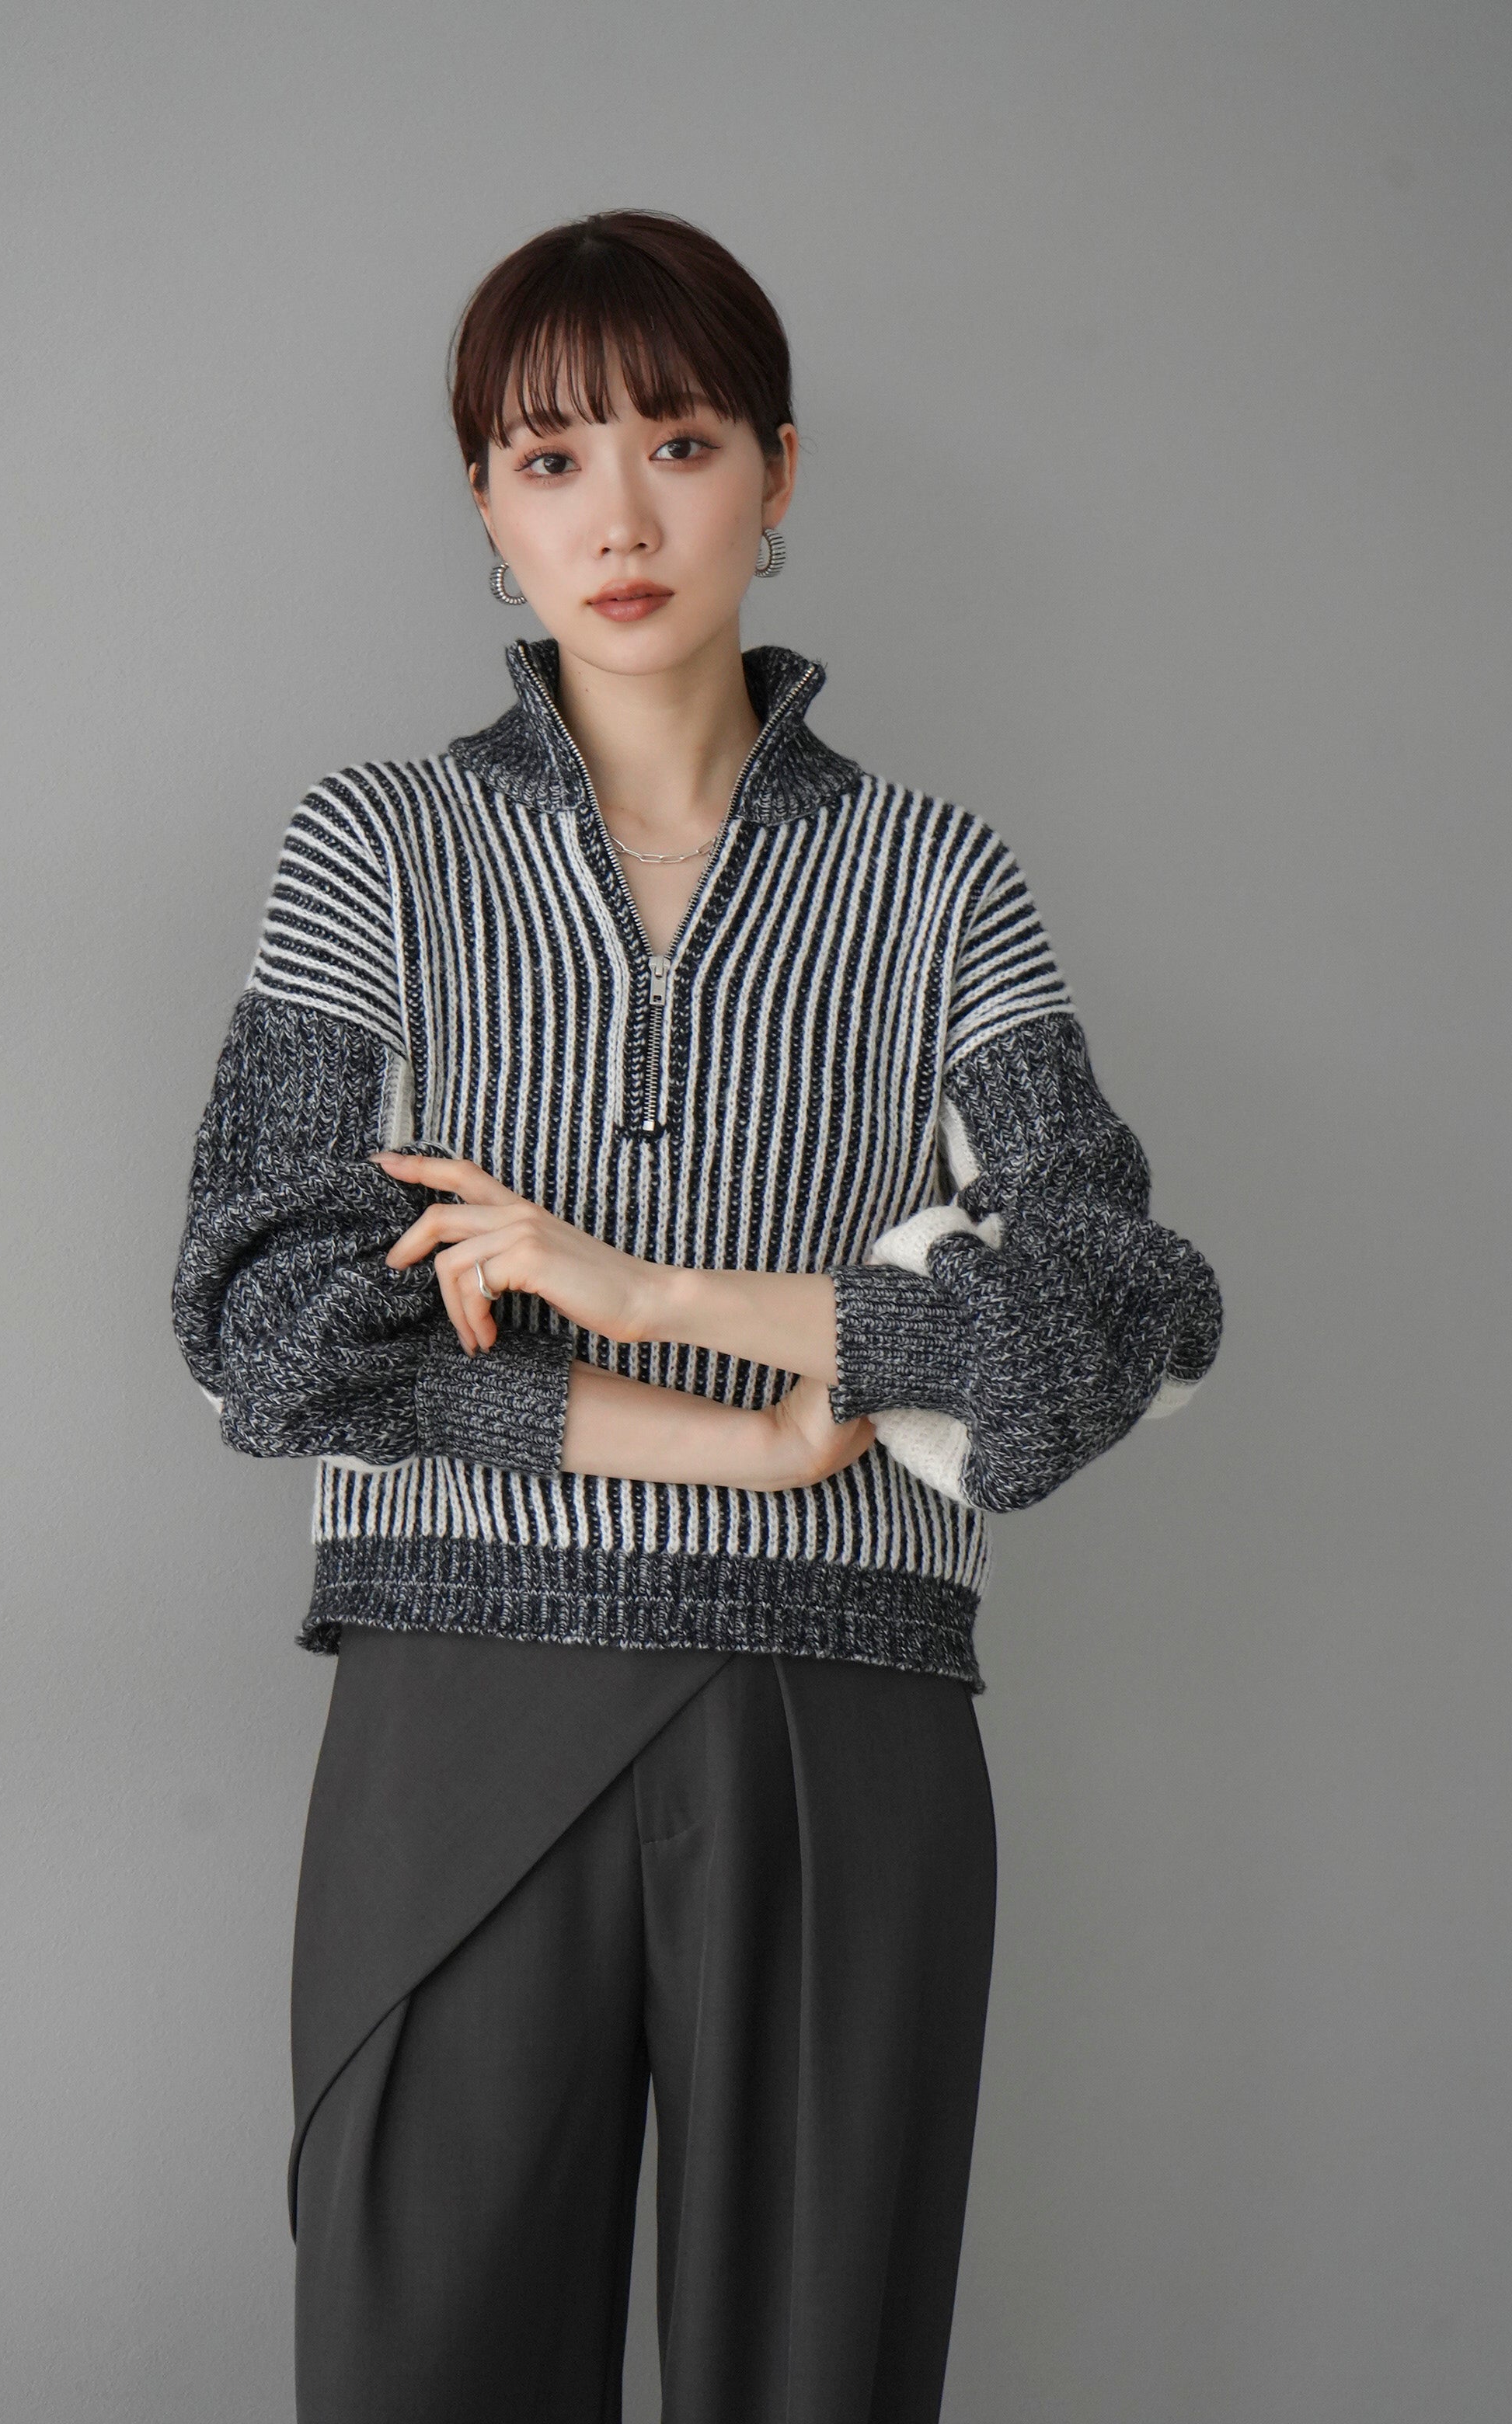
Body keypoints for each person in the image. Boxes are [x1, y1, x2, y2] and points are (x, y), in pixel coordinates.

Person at [170, 208, 1221, 2424]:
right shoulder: (375, 851)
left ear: (779, 472)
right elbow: (268, 1321)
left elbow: (1112, 1317)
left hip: (845, 1713)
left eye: (679, 442)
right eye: (550, 459)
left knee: (818, 2377)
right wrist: (722, 1432)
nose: (621, 518)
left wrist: (656, 1292)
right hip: (458, 1699)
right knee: (422, 2367)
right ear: (485, 505)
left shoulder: (938, 880)